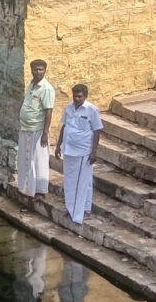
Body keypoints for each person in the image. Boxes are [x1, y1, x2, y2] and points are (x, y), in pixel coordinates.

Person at [55, 84, 103, 224]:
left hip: (83, 151)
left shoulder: (91, 110)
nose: (77, 99)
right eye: (75, 96)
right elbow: (64, 126)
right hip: (69, 150)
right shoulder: (69, 108)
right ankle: (74, 208)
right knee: (70, 181)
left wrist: (93, 152)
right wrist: (58, 145)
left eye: (80, 96)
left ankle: (79, 212)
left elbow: (97, 130)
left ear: (85, 96)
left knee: (81, 182)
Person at [17, 59, 55, 202]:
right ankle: (27, 188)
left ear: (45, 71)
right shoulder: (32, 85)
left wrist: (45, 133)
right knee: (25, 160)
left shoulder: (46, 88)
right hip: (26, 128)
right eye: (36, 69)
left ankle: (40, 191)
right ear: (31, 70)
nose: (38, 72)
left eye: (41, 70)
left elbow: (48, 111)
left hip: (38, 131)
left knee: (39, 160)